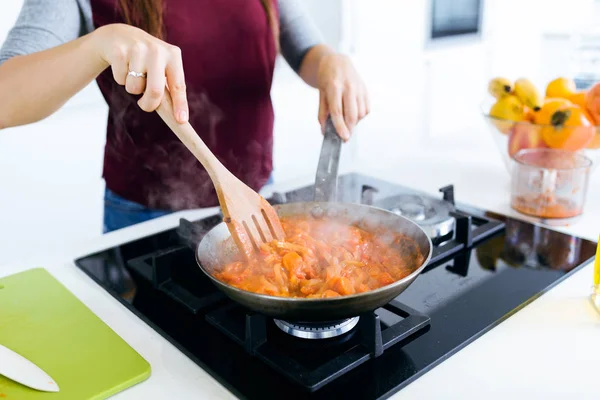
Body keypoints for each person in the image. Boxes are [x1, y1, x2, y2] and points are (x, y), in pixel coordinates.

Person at [0, 0, 369, 232]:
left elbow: (305, 48)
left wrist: (330, 64)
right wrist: (99, 44)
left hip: (257, 198)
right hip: (145, 216)